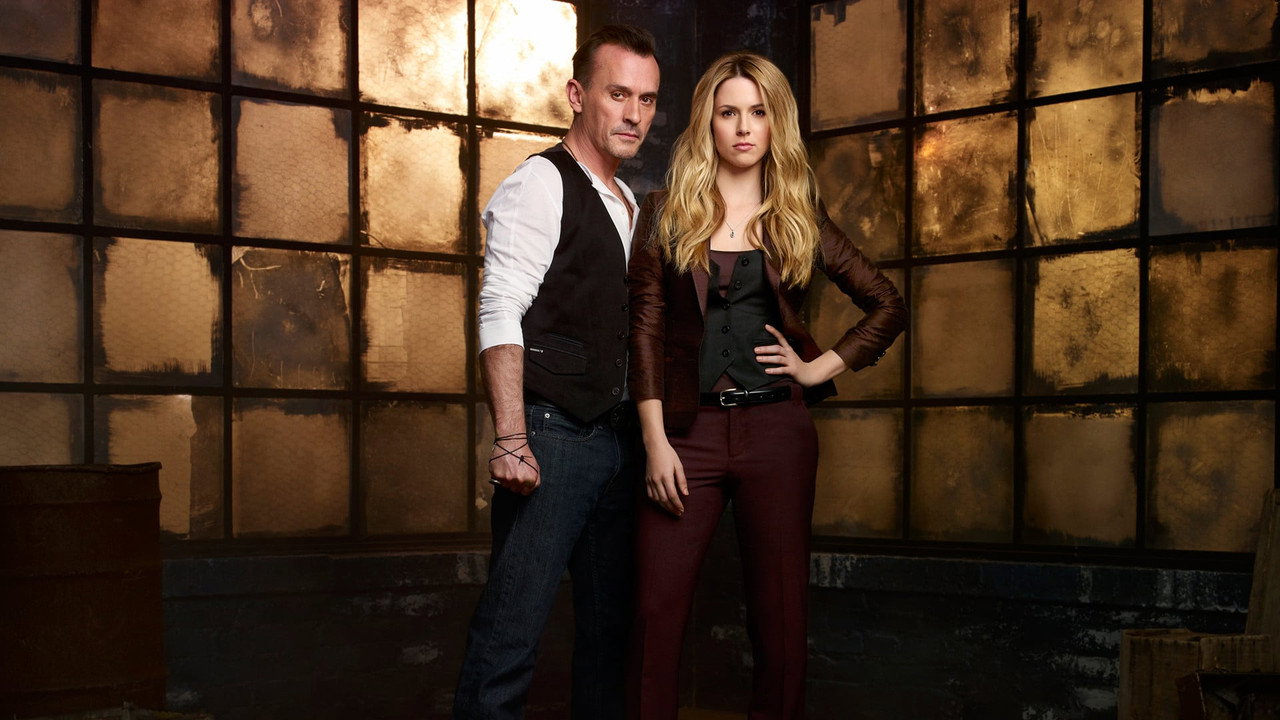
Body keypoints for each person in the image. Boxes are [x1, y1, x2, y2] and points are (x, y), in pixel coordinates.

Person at [626, 52, 907, 719]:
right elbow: (645, 330)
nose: (744, 127)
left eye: (758, 112)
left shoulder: (798, 216)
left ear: (776, 122)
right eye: (728, 113)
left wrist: (818, 368)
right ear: (709, 123)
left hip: (778, 434)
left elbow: (886, 303)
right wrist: (655, 442)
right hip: (686, 435)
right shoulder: (664, 212)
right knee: (655, 612)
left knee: (780, 618)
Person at [453, 24, 660, 720]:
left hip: (618, 445)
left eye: (647, 100)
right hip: (552, 438)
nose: (634, 114)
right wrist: (512, 438)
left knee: (607, 641)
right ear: (577, 95)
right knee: (509, 635)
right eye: (618, 94)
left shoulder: (629, 202)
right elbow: (499, 308)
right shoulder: (541, 182)